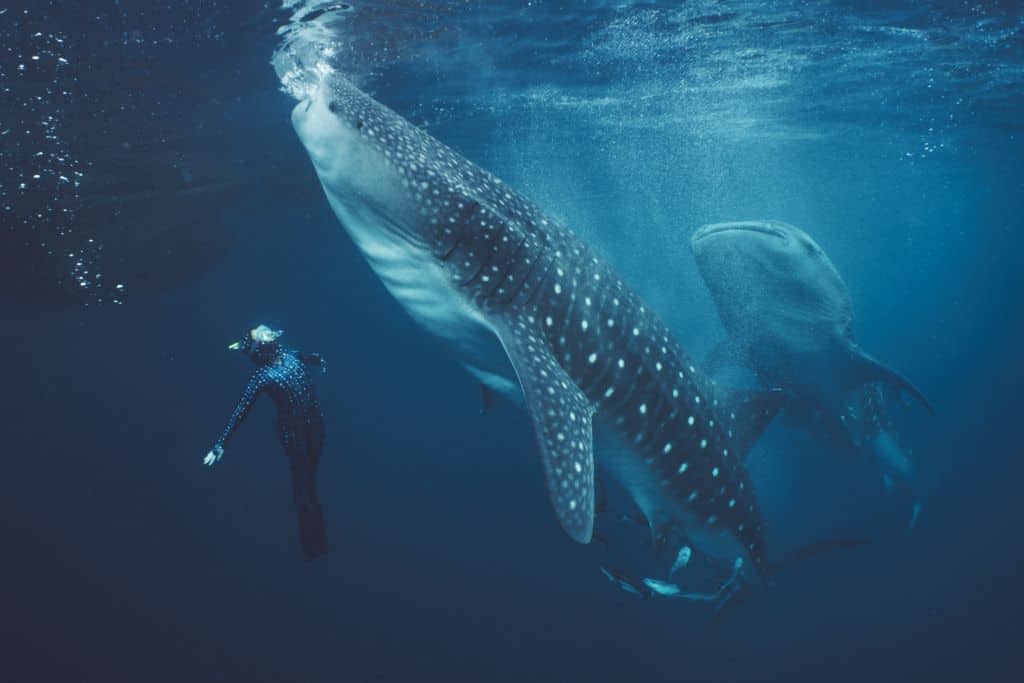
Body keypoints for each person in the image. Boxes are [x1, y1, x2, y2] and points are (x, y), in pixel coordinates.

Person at [204, 324, 329, 560]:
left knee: (309, 483)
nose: (264, 329)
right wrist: (220, 444)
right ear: (261, 347)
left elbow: (302, 356)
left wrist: (316, 358)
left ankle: (315, 542)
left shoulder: (286, 353)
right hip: (295, 436)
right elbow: (242, 409)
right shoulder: (262, 377)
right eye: (259, 333)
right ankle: (312, 545)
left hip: (316, 427)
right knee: (304, 486)